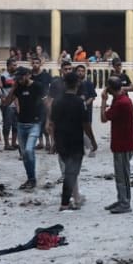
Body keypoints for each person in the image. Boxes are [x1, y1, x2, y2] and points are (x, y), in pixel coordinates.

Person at [48, 71, 88, 210]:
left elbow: (52, 123)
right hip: (75, 141)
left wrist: (53, 142)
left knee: (69, 172)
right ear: (77, 83)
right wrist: (92, 141)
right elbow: (85, 124)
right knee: (71, 172)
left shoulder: (57, 102)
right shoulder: (79, 102)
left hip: (61, 140)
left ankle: (73, 198)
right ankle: (65, 203)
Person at [1, 65, 44, 190]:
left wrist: (48, 121)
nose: (19, 80)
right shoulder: (18, 87)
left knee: (30, 150)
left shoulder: (37, 86)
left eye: (21, 77)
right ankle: (31, 178)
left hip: (35, 123)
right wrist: (13, 89)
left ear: (28, 75)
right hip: (21, 124)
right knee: (25, 154)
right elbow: (6, 104)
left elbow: (46, 102)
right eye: (17, 78)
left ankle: (32, 178)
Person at [100, 76, 133, 214]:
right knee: (124, 174)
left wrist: (103, 100)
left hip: (122, 144)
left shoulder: (120, 103)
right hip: (127, 142)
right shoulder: (123, 99)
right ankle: (123, 199)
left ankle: (124, 203)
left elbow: (103, 118)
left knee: (121, 175)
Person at [72, 63, 99, 155]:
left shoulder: (88, 83)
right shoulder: (73, 84)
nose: (80, 73)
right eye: (78, 71)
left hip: (87, 109)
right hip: (75, 109)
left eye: (82, 71)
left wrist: (84, 104)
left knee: (87, 127)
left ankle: (89, 146)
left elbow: (92, 96)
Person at [0, 58, 19, 151]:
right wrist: (2, 99)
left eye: (16, 65)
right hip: (7, 103)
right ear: (8, 66)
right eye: (13, 65)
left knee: (16, 124)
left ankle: (14, 142)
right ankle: (6, 143)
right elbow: (0, 89)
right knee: (7, 124)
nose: (15, 67)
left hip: (16, 103)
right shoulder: (3, 76)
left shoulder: (17, 76)